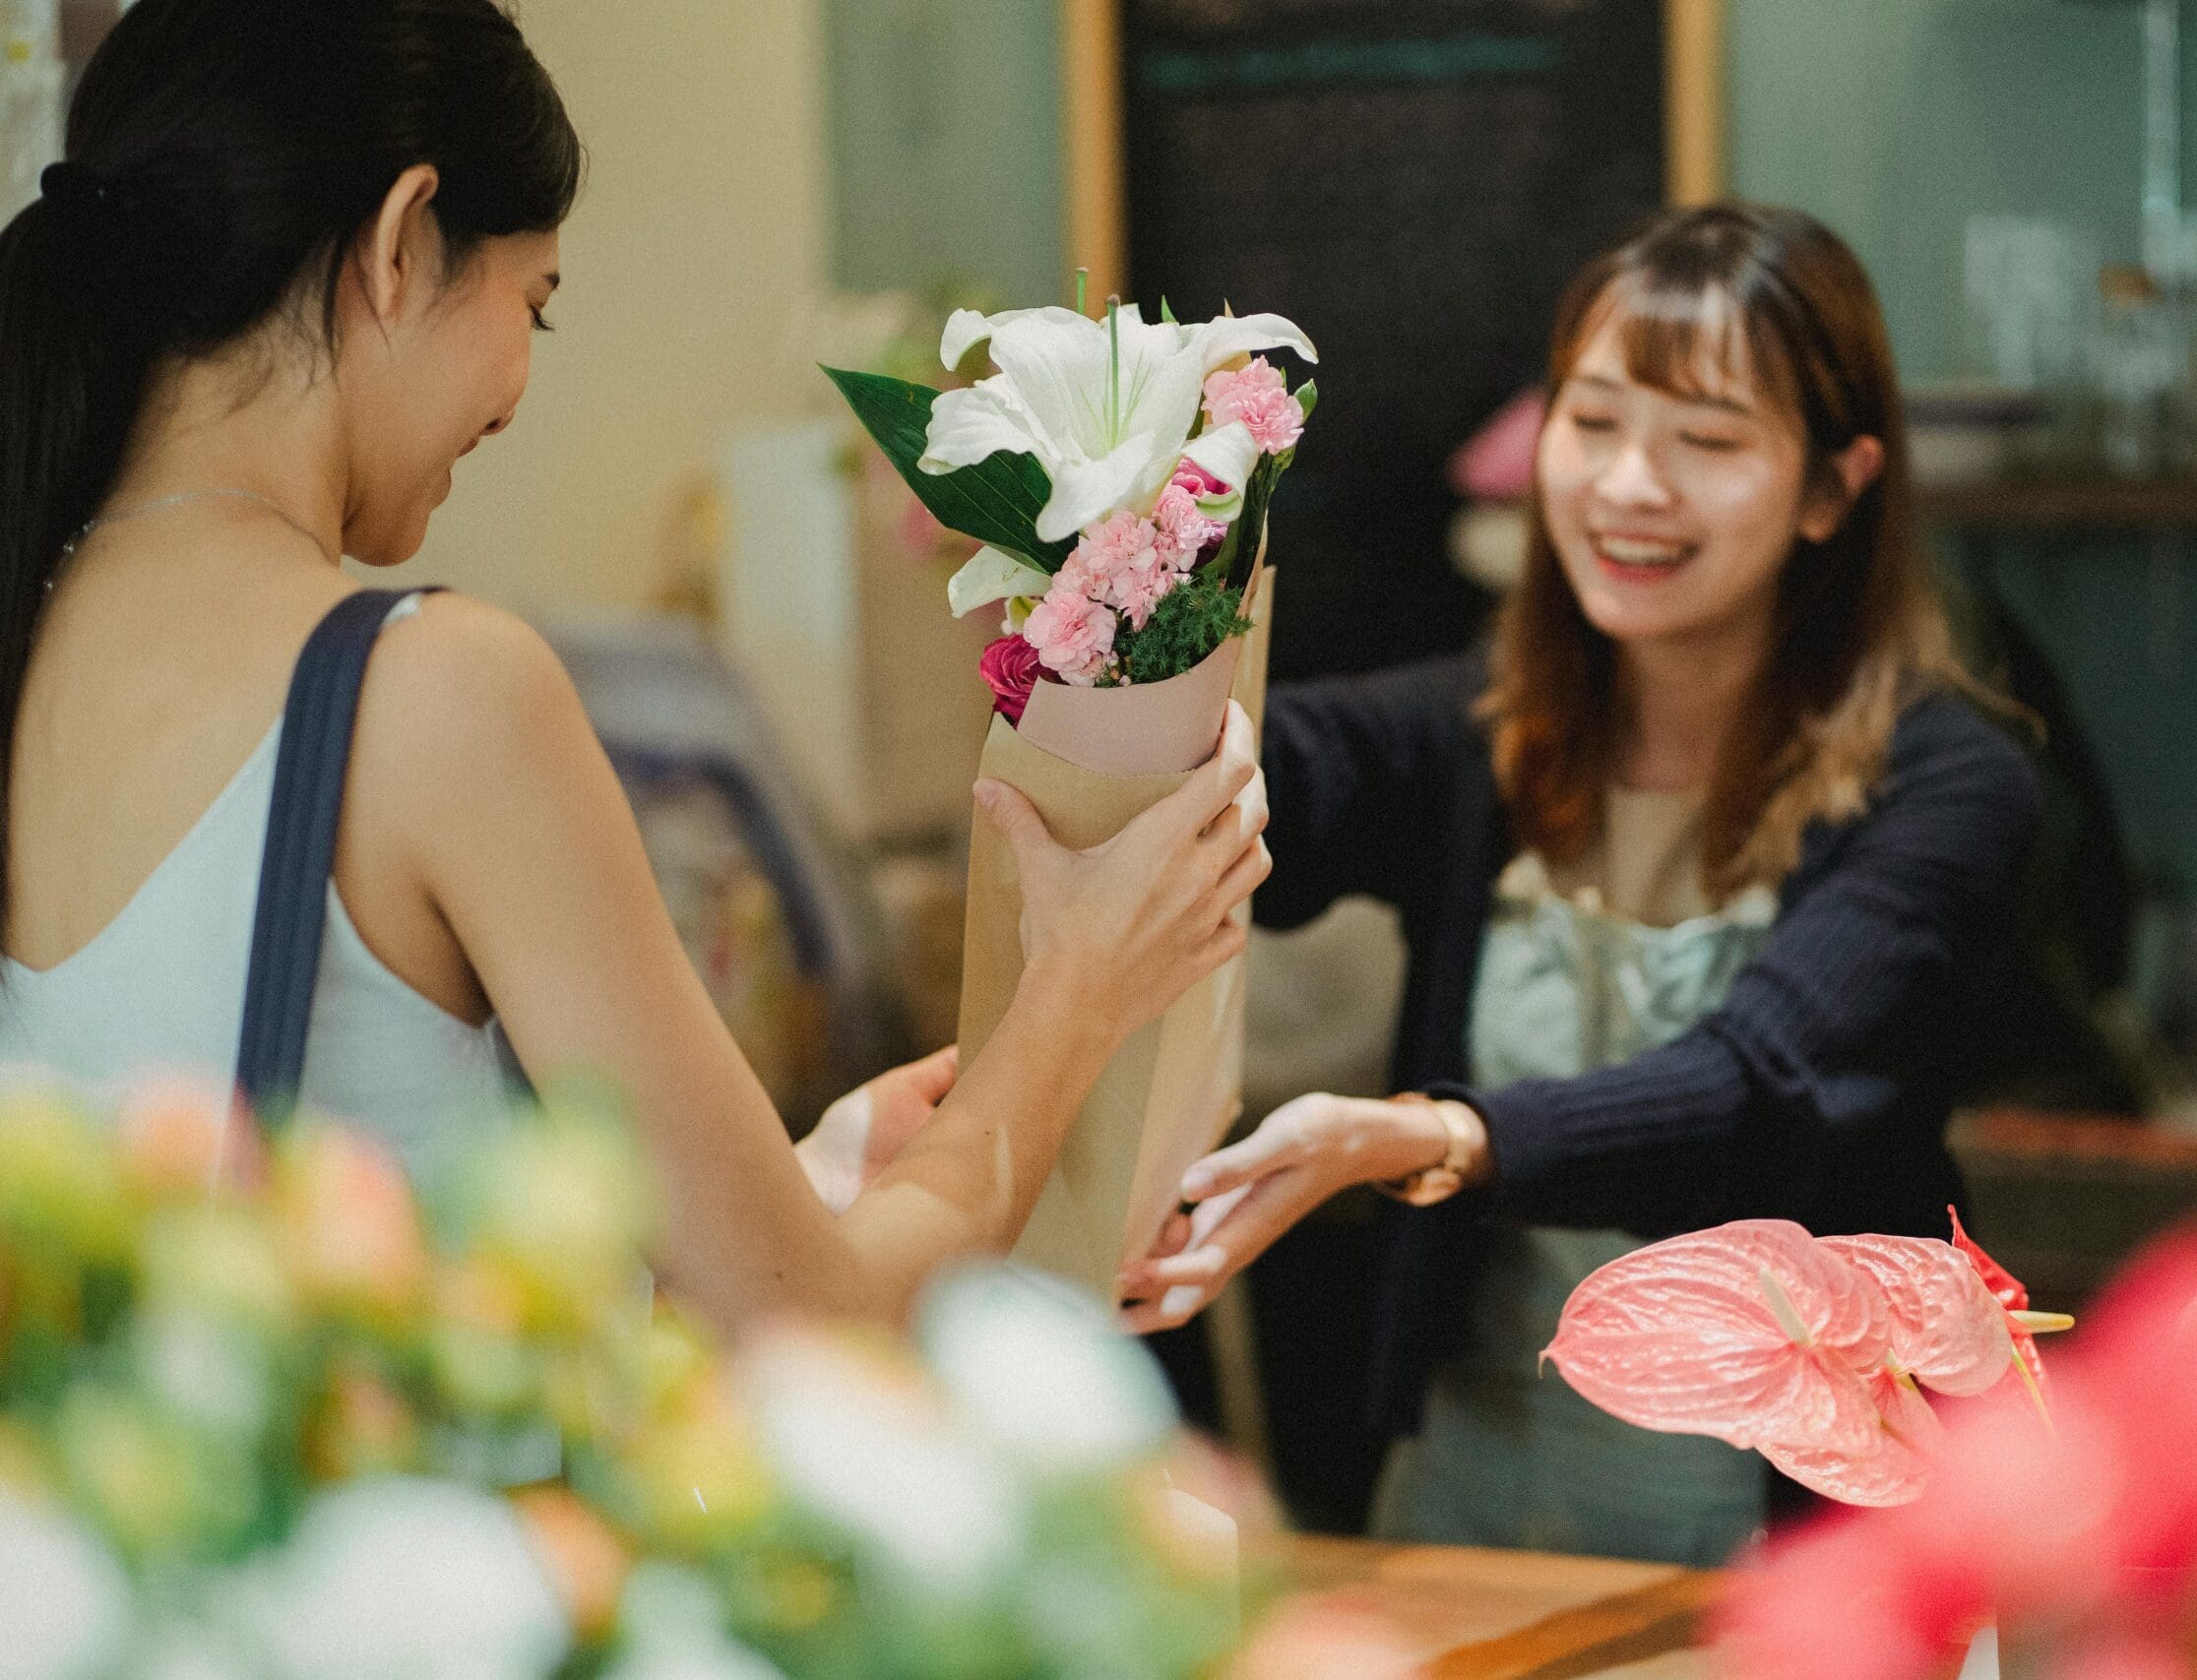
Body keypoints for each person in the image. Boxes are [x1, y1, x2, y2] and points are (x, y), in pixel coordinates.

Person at [0, 0, 1269, 1335]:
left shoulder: (38, 641)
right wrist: (1081, 988)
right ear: (397, 242)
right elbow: (809, 1331)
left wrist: (782, 1190)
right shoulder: (433, 693)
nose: (518, 387)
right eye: (532, 308)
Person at [1120, 204, 2040, 1564]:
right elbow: (1269, 770)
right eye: (1594, 421)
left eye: (1709, 442)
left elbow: (1758, 1091)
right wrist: (1108, 592)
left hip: (1805, 1540)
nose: (1628, 486)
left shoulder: (1952, 785)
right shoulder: (1478, 733)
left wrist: (1430, 1139)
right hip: (1470, 1502)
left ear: (1837, 487)